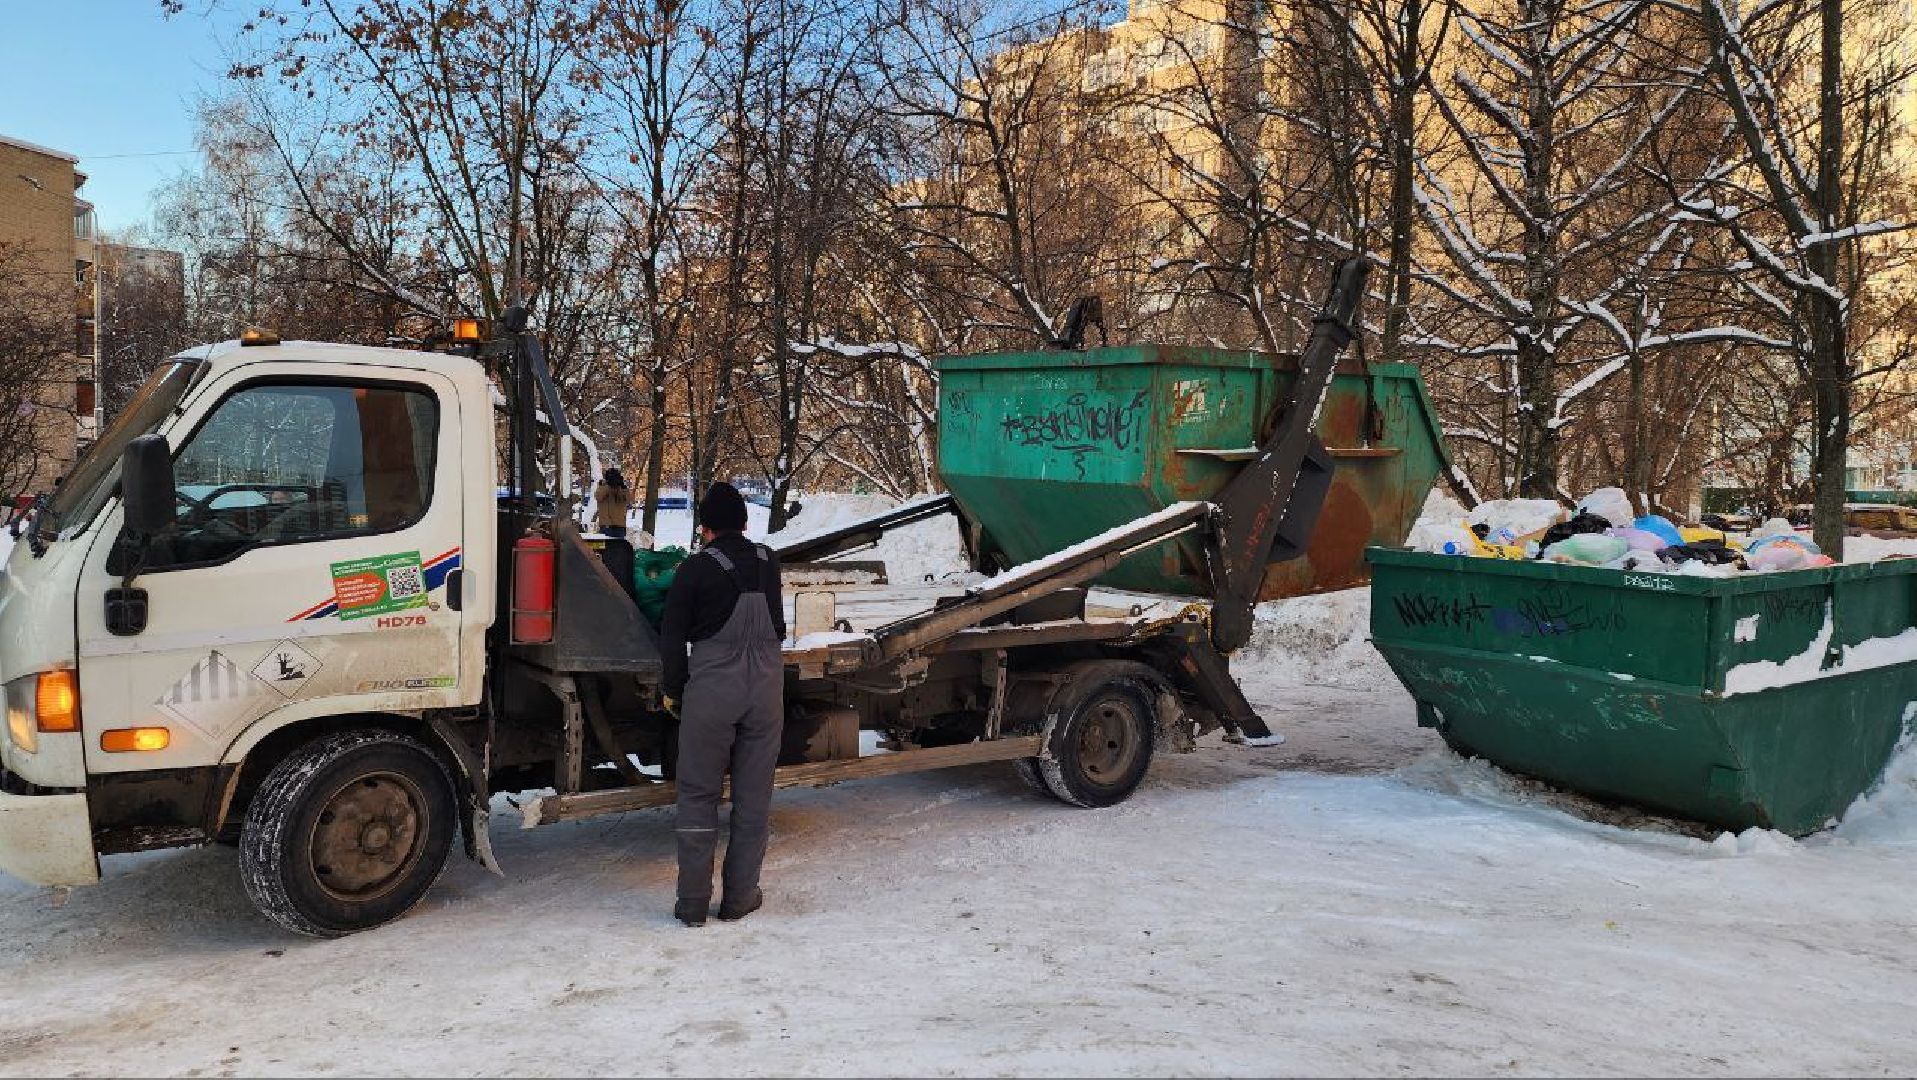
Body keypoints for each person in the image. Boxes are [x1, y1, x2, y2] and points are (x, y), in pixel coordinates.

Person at [658, 481, 785, 926]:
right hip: (766, 690)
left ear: (705, 528)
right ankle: (740, 898)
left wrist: (673, 690)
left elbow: (672, 637)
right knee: (754, 799)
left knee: (698, 795)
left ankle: (693, 904)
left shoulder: (692, 570)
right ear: (745, 523)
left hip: (713, 691)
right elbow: (778, 628)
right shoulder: (769, 562)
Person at [594, 468, 632, 538]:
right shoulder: (602, 487)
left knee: (619, 548)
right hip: (606, 525)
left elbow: (628, 499)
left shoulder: (620, 489)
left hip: (619, 526)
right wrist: (608, 485)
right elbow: (598, 497)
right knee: (607, 548)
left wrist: (622, 486)